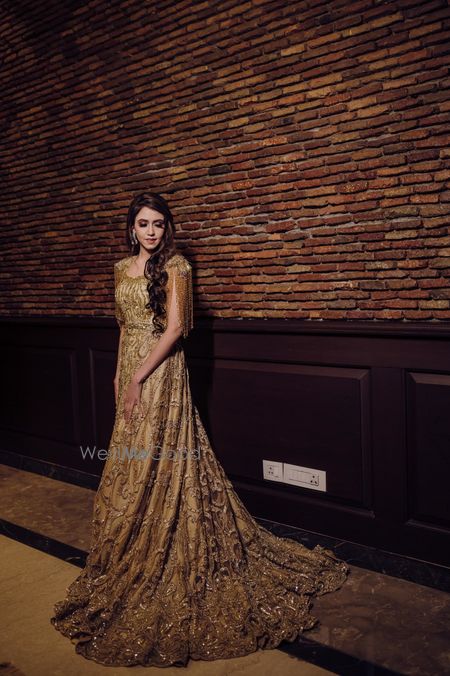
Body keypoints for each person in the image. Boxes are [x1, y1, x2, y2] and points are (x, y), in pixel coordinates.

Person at [50, 192, 350, 668]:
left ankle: (165, 540)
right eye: (144, 224)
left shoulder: (179, 267)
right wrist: (116, 374)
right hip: (130, 366)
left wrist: (137, 378)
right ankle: (130, 547)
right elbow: (125, 326)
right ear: (131, 227)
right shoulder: (120, 268)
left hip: (161, 371)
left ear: (168, 229)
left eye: (159, 224)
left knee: (159, 455)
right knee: (130, 456)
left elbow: (172, 331)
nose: (151, 231)